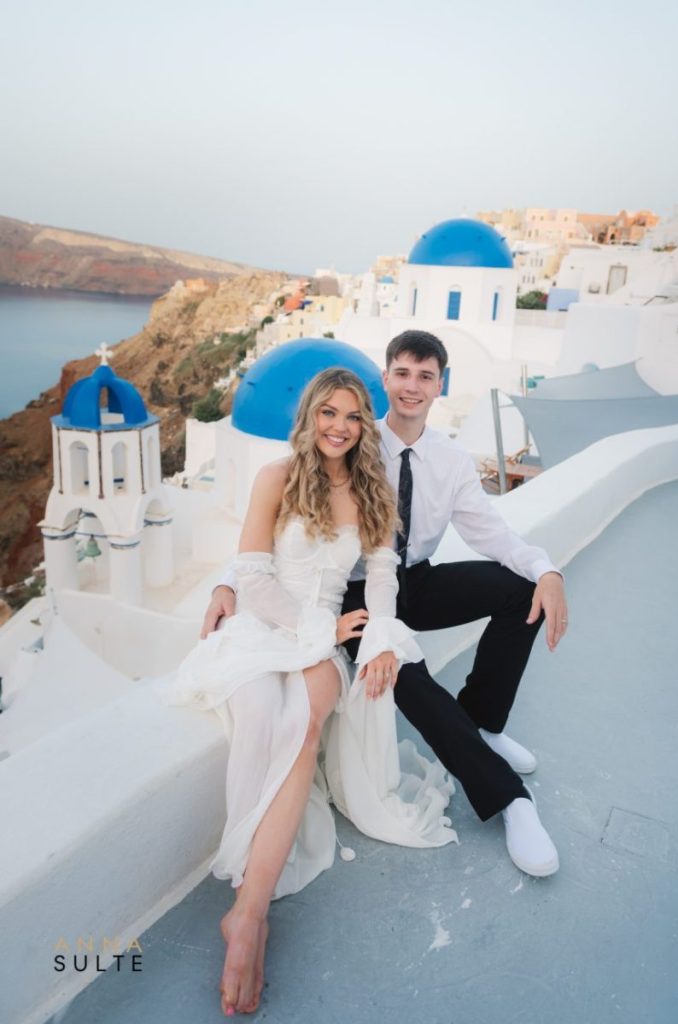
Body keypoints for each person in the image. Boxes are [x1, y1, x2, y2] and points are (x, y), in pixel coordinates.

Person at [208, 332, 569, 881]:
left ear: (439, 385)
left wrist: (546, 569)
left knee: (520, 591)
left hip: (412, 578)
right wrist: (226, 583)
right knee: (403, 673)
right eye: (402, 373)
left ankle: (483, 723)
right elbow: (284, 526)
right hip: (353, 592)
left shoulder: (449, 460)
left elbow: (490, 532)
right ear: (386, 379)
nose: (412, 386)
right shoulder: (351, 436)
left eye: (425, 376)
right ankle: (510, 800)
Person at [165, 367, 456, 1017]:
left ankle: (247, 917)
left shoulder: (373, 490)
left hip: (321, 638)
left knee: (304, 727)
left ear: (364, 427)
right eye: (329, 412)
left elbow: (381, 577)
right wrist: (311, 625)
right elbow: (252, 576)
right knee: (261, 717)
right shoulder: (276, 478)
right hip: (266, 625)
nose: (340, 427)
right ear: (310, 415)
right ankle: (252, 901)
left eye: (353, 417)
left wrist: (377, 635)